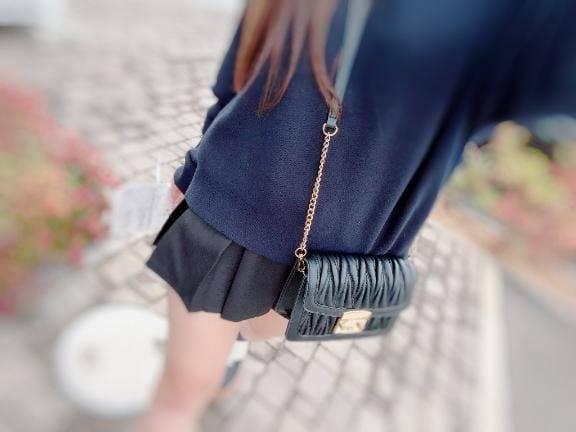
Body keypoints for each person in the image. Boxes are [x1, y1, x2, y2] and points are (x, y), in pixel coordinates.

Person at [139, 0, 576, 430]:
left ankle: (229, 347)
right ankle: (223, 353)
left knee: (242, 337)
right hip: (232, 214)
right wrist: (190, 172)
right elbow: (241, 68)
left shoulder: (510, 16)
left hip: (323, 255)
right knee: (178, 401)